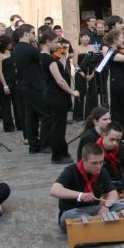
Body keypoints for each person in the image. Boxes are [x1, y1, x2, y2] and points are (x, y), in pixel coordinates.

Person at [50, 142, 124, 233]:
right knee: (71, 215)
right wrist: (80, 195)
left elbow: (113, 193)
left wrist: (106, 206)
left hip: (94, 210)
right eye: (94, 163)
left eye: (101, 162)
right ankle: (100, 225)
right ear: (84, 160)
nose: (98, 166)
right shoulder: (71, 171)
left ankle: (95, 226)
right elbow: (54, 190)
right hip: (74, 212)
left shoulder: (102, 171)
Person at [41, 29, 79, 164]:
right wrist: (72, 92)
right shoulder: (48, 59)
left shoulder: (45, 57)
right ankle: (58, 154)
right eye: (55, 42)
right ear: (47, 42)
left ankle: (60, 151)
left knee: (56, 125)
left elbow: (60, 71)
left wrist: (63, 56)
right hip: (56, 95)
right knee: (58, 126)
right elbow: (60, 80)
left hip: (50, 94)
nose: (57, 44)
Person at [12, 24, 49, 153]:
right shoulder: (29, 49)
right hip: (33, 86)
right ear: (26, 33)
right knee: (46, 115)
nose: (35, 35)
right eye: (33, 33)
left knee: (31, 116)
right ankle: (45, 144)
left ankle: (33, 145)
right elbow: (43, 59)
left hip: (24, 85)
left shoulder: (16, 48)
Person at [97, 122, 124, 191]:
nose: (114, 143)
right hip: (102, 181)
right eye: (112, 139)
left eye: (118, 140)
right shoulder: (96, 149)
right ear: (104, 135)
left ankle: (114, 190)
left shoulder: (122, 149)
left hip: (118, 180)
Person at [72, 31, 99, 122]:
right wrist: (82, 74)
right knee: (80, 94)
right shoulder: (77, 49)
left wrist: (92, 74)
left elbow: (96, 63)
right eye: (84, 36)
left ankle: (91, 114)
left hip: (91, 73)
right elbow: (75, 64)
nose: (87, 38)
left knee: (92, 94)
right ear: (80, 38)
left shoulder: (93, 48)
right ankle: (78, 115)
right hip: (80, 74)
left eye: (88, 36)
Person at [0, 35, 18, 132]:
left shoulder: (10, 53)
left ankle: (19, 124)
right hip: (5, 82)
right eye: (8, 43)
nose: (10, 45)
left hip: (14, 81)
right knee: (6, 106)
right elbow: (0, 72)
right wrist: (5, 86)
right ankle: (9, 127)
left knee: (17, 104)